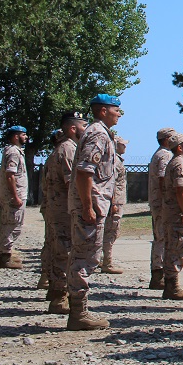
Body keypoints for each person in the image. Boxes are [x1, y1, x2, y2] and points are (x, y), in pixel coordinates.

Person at [66, 94, 121, 330]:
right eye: (116, 109)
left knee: (86, 254)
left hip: (95, 204)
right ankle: (78, 314)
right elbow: (85, 171)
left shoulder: (100, 133)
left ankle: (78, 311)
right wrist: (88, 206)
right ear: (103, 111)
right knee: (84, 256)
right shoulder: (98, 133)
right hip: (91, 206)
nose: (119, 113)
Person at [43, 112, 87, 314]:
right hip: (64, 210)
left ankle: (55, 293)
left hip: (56, 209)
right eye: (83, 125)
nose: (86, 130)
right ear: (72, 128)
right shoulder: (69, 149)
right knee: (65, 252)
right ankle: (60, 298)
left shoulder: (61, 148)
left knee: (58, 250)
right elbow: (72, 183)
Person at [161, 131, 183, 301]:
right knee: (177, 246)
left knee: (173, 246)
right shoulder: (180, 163)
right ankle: (172, 286)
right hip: (177, 213)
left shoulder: (175, 162)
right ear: (180, 147)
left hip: (171, 212)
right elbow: (181, 189)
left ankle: (170, 284)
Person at [147, 127, 177, 290]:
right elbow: (162, 179)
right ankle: (159, 274)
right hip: (162, 203)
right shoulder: (165, 155)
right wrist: (167, 199)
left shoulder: (160, 154)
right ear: (166, 140)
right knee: (162, 237)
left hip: (158, 202)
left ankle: (159, 273)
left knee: (161, 236)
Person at [0, 125, 29, 269]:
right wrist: (15, 196)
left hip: (12, 195)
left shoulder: (13, 151)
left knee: (8, 224)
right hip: (13, 196)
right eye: (23, 135)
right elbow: (10, 175)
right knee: (11, 225)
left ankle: (5, 252)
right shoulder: (13, 152)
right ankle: (4, 256)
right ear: (16, 136)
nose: (26, 137)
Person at [100, 134, 129, 274]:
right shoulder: (114, 160)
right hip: (114, 201)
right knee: (111, 231)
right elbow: (111, 183)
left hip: (117, 200)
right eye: (123, 144)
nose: (125, 147)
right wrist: (113, 203)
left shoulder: (116, 159)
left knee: (111, 231)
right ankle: (107, 261)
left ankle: (103, 258)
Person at [39, 129, 63, 289]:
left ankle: (46, 277)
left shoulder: (52, 156)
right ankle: (53, 282)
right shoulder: (64, 152)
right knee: (59, 245)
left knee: (51, 242)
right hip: (60, 206)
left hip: (52, 204)